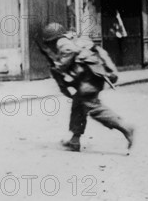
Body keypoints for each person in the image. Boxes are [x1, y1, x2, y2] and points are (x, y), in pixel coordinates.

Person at [40, 23, 134, 152]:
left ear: (52, 39)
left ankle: (125, 127)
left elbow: (69, 51)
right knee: (78, 105)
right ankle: (74, 140)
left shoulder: (62, 43)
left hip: (89, 79)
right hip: (90, 76)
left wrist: (59, 66)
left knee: (93, 107)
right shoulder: (70, 39)